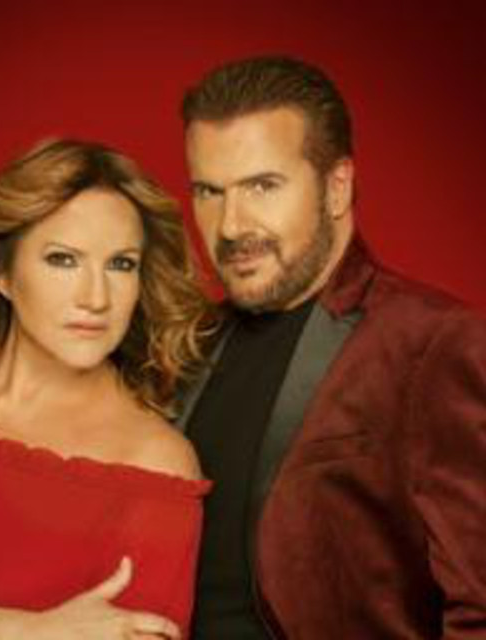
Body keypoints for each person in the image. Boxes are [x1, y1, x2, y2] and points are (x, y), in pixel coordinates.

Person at [176, 55, 486, 638]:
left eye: (263, 186)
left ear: (336, 186)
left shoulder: (433, 342)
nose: (231, 225)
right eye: (209, 191)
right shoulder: (186, 346)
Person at [0, 138, 217, 640]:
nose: (96, 298)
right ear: (2, 274)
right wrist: (29, 632)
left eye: (121, 264)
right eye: (63, 260)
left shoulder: (156, 464)